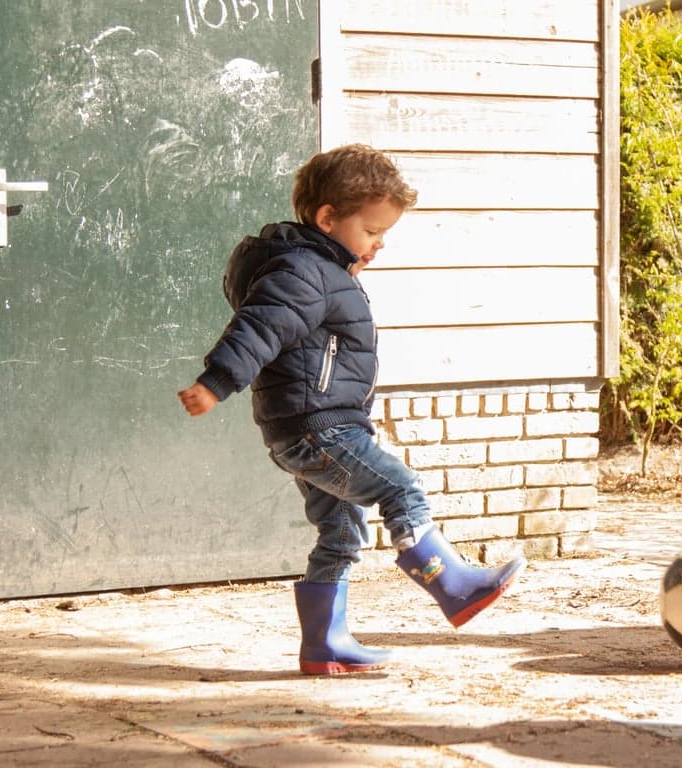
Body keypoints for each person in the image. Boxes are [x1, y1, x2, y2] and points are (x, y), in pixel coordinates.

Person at [177, 144, 526, 675]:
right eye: (371, 231)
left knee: (340, 531)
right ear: (327, 218)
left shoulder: (320, 270)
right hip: (322, 429)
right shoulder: (304, 274)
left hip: (309, 428)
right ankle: (453, 586)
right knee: (400, 488)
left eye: (384, 233)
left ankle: (325, 645)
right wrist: (216, 382)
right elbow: (259, 328)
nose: (379, 243)